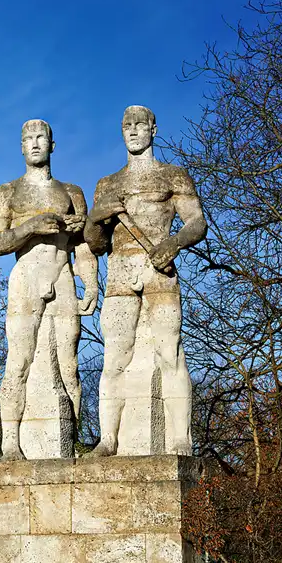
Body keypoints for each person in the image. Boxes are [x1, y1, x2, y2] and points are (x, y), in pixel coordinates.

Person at [84, 105, 208, 456]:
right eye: (127, 125)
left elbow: (196, 222)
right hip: (120, 273)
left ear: (154, 129)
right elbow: (96, 243)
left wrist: (173, 243)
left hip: (159, 271)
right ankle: (109, 440)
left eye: (140, 124)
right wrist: (96, 218)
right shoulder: (107, 185)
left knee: (170, 352)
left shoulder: (173, 175)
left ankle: (181, 439)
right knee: (114, 358)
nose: (133, 130)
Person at [0, 119, 101, 460]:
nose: (35, 143)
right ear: (21, 146)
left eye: (41, 137)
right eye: (28, 138)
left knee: (69, 365)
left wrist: (91, 282)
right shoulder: (8, 191)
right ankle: (10, 444)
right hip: (26, 276)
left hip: (62, 275)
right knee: (18, 360)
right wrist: (31, 226)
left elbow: (83, 246)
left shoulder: (71, 191)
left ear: (53, 144)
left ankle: (71, 443)